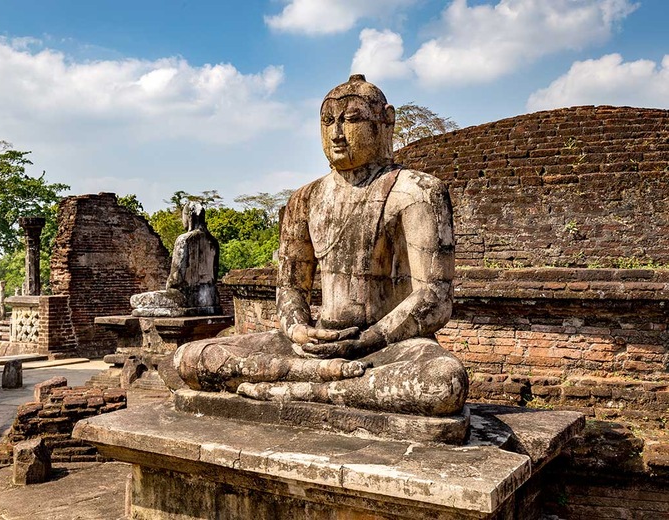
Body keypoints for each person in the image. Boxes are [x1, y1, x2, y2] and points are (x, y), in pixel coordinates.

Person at [173, 74, 468, 416]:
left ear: (386, 121)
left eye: (352, 119)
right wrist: (299, 330)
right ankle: (325, 383)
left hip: (386, 347)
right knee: (188, 359)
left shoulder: (417, 192)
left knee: (442, 383)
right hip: (313, 348)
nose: (337, 133)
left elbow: (434, 297)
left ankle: (297, 387)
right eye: (328, 121)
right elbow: (290, 289)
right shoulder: (306, 198)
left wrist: (366, 340)